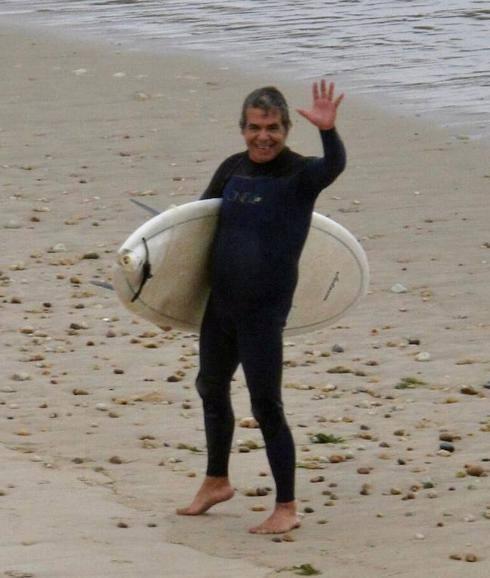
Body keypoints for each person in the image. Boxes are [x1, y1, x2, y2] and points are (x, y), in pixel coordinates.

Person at [177, 80, 346, 534]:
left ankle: (286, 507)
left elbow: (334, 165)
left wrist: (329, 131)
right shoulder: (232, 168)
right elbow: (195, 226)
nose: (263, 136)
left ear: (287, 127)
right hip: (221, 305)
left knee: (266, 403)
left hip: (263, 312)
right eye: (254, 127)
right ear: (243, 129)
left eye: (272, 127)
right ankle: (216, 481)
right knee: (211, 388)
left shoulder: (301, 173)